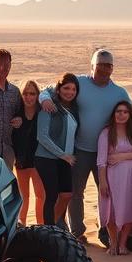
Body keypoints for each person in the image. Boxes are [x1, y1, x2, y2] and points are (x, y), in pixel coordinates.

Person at [38, 49, 129, 244]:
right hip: (79, 150)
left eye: (108, 65)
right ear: (92, 66)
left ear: (112, 68)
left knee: (105, 192)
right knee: (75, 193)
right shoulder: (80, 83)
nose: (104, 69)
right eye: (100, 65)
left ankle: (105, 232)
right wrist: (44, 98)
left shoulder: (119, 92)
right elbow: (50, 88)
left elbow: (131, 117)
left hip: (105, 152)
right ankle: (77, 231)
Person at [97, 101, 132, 255]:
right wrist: (102, 181)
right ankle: (113, 243)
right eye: (118, 111)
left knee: (129, 208)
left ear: (130, 115)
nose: (121, 115)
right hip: (112, 178)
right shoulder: (106, 133)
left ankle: (123, 244)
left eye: (125, 112)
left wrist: (123, 157)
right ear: (113, 114)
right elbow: (101, 161)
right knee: (111, 210)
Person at [34, 74, 79, 228]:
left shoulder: (73, 108)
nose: (70, 92)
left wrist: (65, 156)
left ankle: (51, 226)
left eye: (73, 89)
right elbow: (42, 136)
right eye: (66, 88)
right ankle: (50, 232)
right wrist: (63, 155)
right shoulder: (49, 106)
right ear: (58, 90)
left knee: (66, 194)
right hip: (47, 158)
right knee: (51, 196)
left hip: (65, 159)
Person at [9, 80, 45, 225]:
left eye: (32, 94)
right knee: (23, 197)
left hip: (39, 162)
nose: (29, 97)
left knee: (41, 196)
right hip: (21, 162)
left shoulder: (43, 114)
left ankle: (42, 228)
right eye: (25, 93)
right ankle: (21, 227)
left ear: (37, 95)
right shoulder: (16, 114)